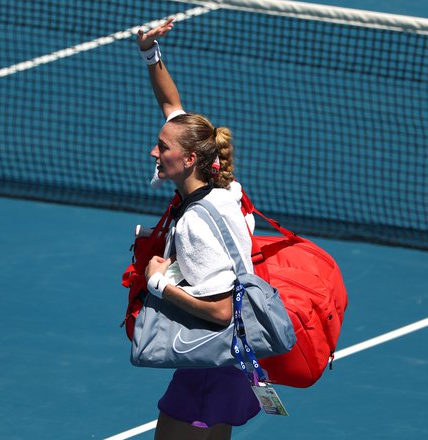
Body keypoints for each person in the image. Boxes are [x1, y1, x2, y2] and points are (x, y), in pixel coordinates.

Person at [137, 19, 261, 440]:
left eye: (164, 147)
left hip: (209, 356)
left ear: (189, 159)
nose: (155, 151)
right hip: (233, 354)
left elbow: (220, 310)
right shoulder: (229, 192)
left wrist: (158, 284)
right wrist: (151, 53)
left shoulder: (194, 225)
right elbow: (172, 106)